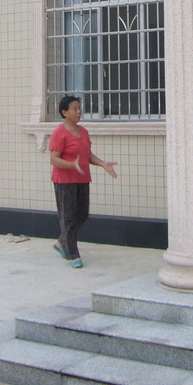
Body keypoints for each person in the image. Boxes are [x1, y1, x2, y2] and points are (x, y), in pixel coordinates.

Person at [49, 95, 118, 268]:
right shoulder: (59, 132)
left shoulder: (83, 131)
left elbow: (87, 155)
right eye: (74, 108)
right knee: (69, 217)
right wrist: (71, 164)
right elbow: (54, 159)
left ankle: (61, 242)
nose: (79, 111)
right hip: (64, 181)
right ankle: (73, 255)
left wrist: (102, 164)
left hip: (82, 179)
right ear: (65, 112)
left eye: (79, 108)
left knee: (82, 215)